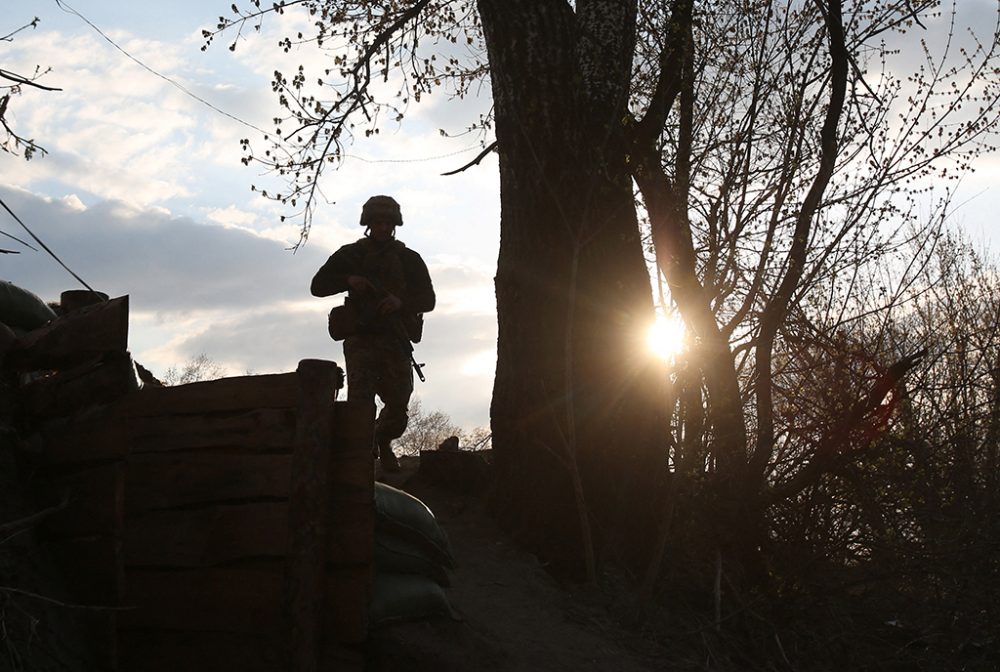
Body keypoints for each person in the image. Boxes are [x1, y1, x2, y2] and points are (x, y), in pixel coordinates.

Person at [311, 195, 435, 472]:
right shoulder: (350, 255)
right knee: (360, 404)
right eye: (377, 222)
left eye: (387, 222)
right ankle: (359, 460)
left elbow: (428, 299)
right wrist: (348, 279)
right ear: (368, 223)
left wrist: (401, 302)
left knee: (398, 406)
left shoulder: (409, 259)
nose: (382, 227)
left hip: (395, 338)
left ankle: (383, 439)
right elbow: (317, 286)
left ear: (394, 224)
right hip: (362, 339)